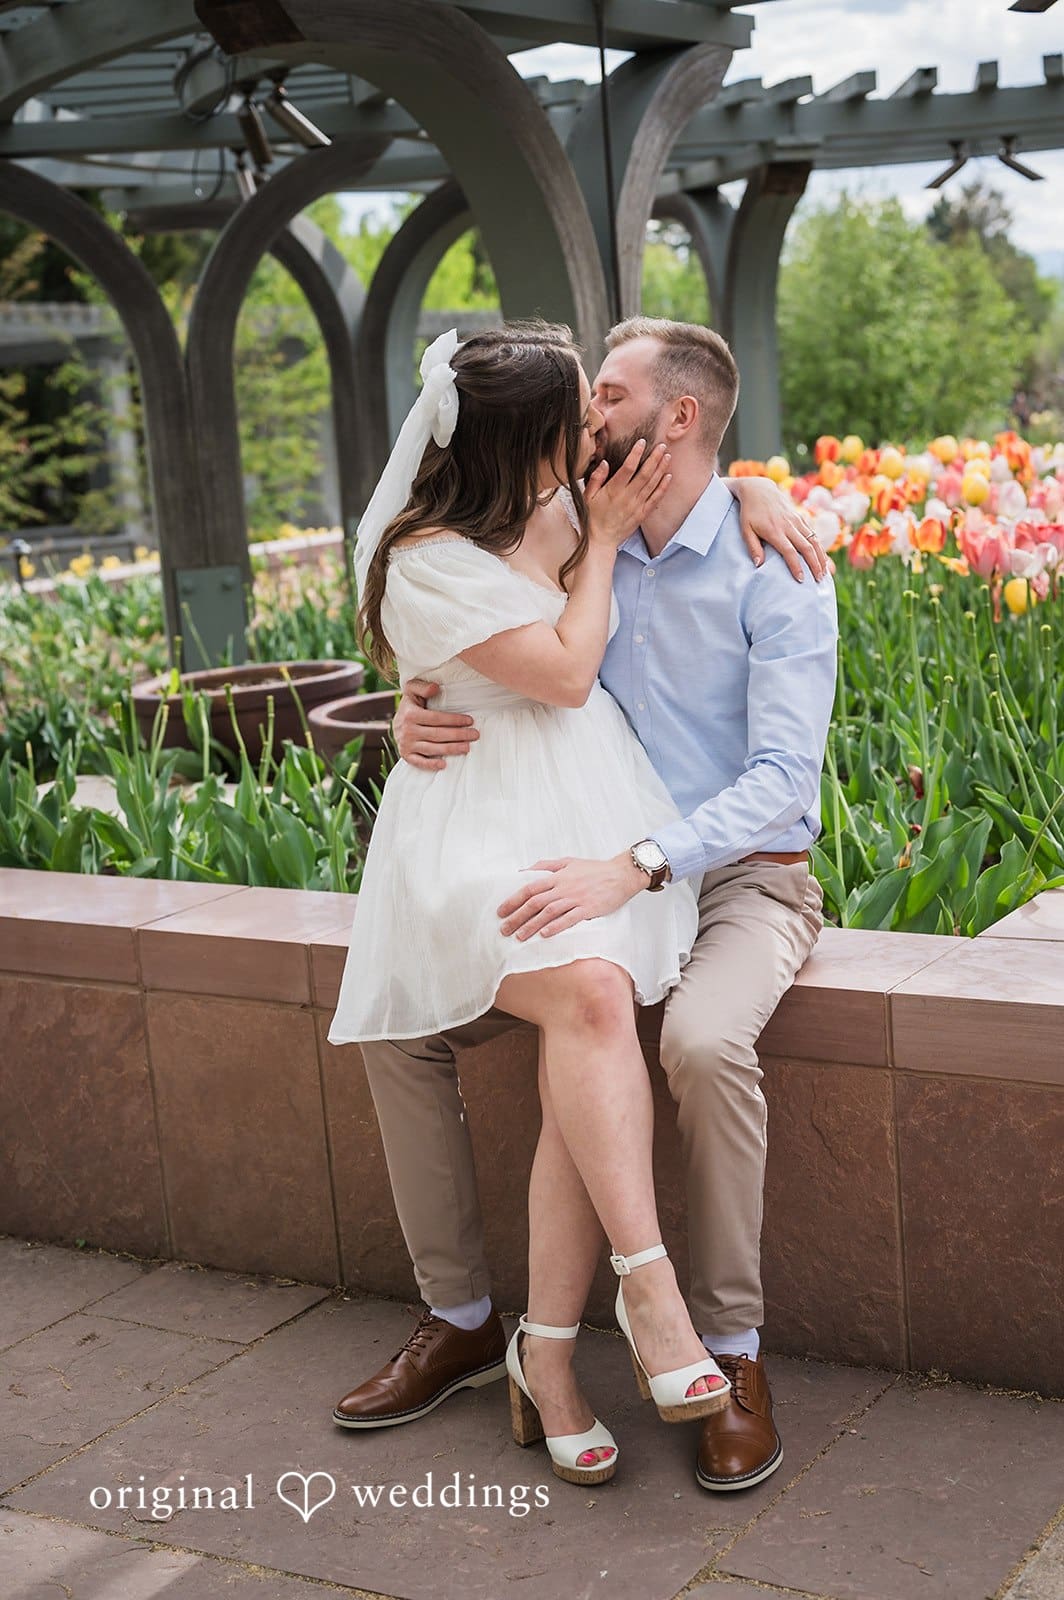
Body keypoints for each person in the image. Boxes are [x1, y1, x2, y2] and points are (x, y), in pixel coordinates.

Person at [334, 317, 837, 1496]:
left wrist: (750, 486)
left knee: (690, 1041)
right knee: (407, 1027)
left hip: (731, 868)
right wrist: (415, 706)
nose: (590, 419)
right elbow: (487, 641)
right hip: (576, 848)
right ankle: (469, 1320)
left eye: (606, 396)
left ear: (675, 421)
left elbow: (781, 781)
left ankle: (727, 1344)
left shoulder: (763, 558)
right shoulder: (579, 516)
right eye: (580, 403)